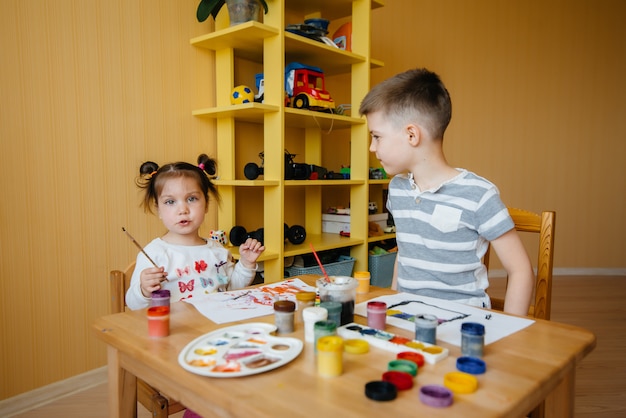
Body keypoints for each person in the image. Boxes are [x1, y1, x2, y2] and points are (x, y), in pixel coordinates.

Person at [359, 68, 534, 316]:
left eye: (376, 137)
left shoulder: (477, 194)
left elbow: (520, 270)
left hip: (463, 322)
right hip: (409, 318)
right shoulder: (398, 190)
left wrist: (512, 333)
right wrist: (394, 303)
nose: (371, 147)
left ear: (411, 134)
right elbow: (406, 254)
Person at [125, 154, 265, 311]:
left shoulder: (217, 250)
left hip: (215, 327)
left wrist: (246, 264)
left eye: (191, 199)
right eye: (170, 202)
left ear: (206, 204)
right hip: (175, 331)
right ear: (158, 210)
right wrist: (144, 290)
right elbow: (133, 305)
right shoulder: (154, 253)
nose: (183, 210)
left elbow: (231, 289)